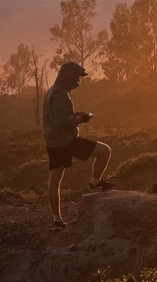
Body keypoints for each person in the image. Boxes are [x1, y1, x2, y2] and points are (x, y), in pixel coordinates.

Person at [43, 61, 112, 230]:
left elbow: (60, 117)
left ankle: (56, 219)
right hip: (66, 141)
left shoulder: (54, 91)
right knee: (104, 151)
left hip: (54, 141)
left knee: (55, 180)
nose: (79, 81)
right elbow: (62, 122)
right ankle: (95, 183)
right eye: (78, 77)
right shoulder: (60, 94)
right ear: (69, 77)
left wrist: (75, 116)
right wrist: (82, 119)